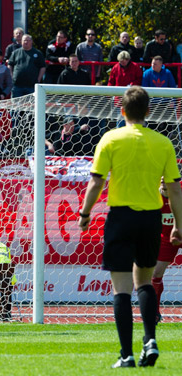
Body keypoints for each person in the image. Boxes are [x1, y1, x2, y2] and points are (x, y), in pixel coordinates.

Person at [78, 86, 182, 368]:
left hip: (121, 218)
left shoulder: (111, 138)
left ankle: (126, 355)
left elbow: (96, 182)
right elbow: (174, 188)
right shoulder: (163, 143)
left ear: (122, 111)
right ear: (148, 111)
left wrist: (85, 213)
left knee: (122, 289)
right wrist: (178, 225)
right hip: (151, 219)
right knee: (145, 282)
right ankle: (150, 340)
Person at [151, 178, 180, 324]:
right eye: (160, 175)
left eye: (166, 175)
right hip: (166, 238)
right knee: (156, 274)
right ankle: (154, 313)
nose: (162, 178)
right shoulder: (152, 196)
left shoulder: (179, 192)